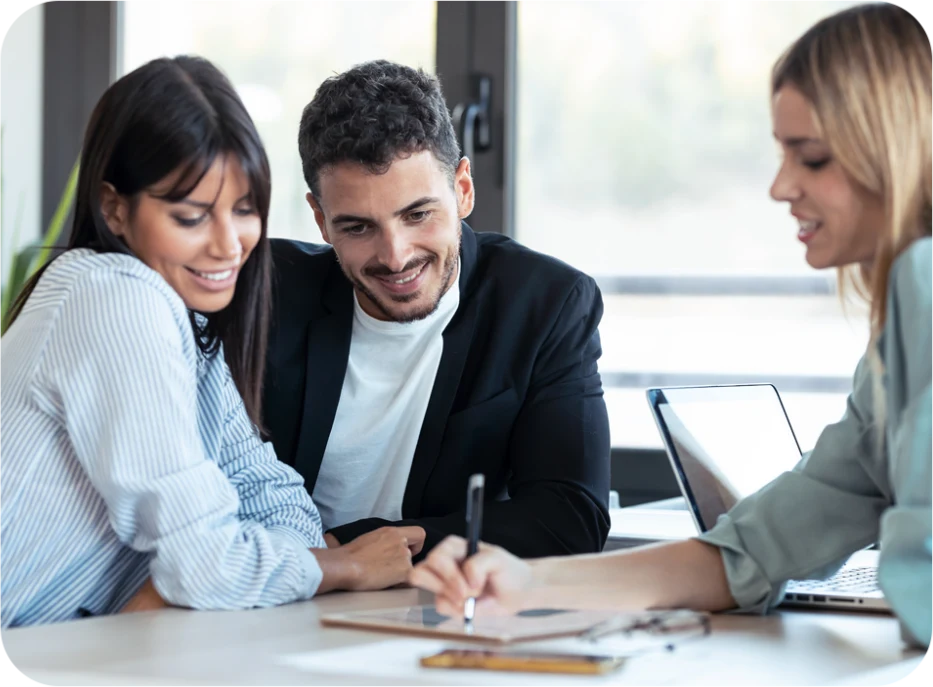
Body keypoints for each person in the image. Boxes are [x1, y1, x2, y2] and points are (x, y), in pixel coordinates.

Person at [410, 3, 933, 648]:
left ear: (902, 150)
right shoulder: (893, 353)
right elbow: (756, 548)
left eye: (814, 158)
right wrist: (528, 585)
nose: (779, 186)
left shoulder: (924, 277)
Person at [0, 56, 422, 628]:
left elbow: (268, 492)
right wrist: (341, 567)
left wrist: (172, 588)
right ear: (114, 208)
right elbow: (204, 564)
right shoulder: (114, 298)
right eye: (193, 216)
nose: (230, 246)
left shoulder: (186, 320)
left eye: (244, 209)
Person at [263, 60, 611, 559]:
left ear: (463, 189)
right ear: (320, 219)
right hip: (264, 602)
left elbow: (570, 518)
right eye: (358, 227)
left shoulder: (544, 304)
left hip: (430, 608)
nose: (395, 255)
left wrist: (363, 546)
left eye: (417, 214)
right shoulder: (266, 294)